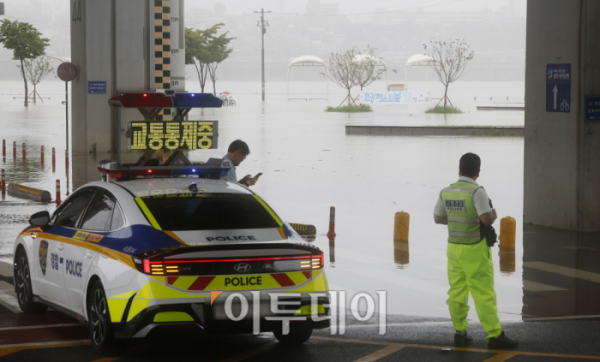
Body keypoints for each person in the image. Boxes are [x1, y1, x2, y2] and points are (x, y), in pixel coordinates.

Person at [433, 153, 518, 349]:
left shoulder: (446, 191)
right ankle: (494, 335)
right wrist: (493, 215)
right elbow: (486, 219)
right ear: (478, 172)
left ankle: (460, 332)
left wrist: (454, 219)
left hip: (454, 249)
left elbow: (437, 218)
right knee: (483, 292)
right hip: (474, 249)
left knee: (456, 292)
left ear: (459, 169)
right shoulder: (476, 192)